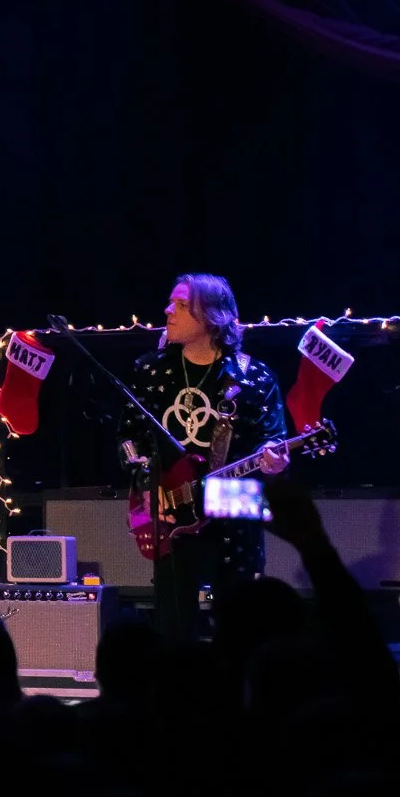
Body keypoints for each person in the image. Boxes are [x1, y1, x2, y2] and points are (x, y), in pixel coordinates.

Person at [122, 274, 289, 643]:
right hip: (171, 506)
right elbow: (128, 437)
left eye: (182, 305)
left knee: (240, 627)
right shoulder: (150, 370)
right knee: (173, 626)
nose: (168, 310)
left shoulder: (254, 377)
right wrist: (147, 485)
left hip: (235, 500)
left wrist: (275, 461)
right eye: (171, 302)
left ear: (213, 316)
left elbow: (273, 440)